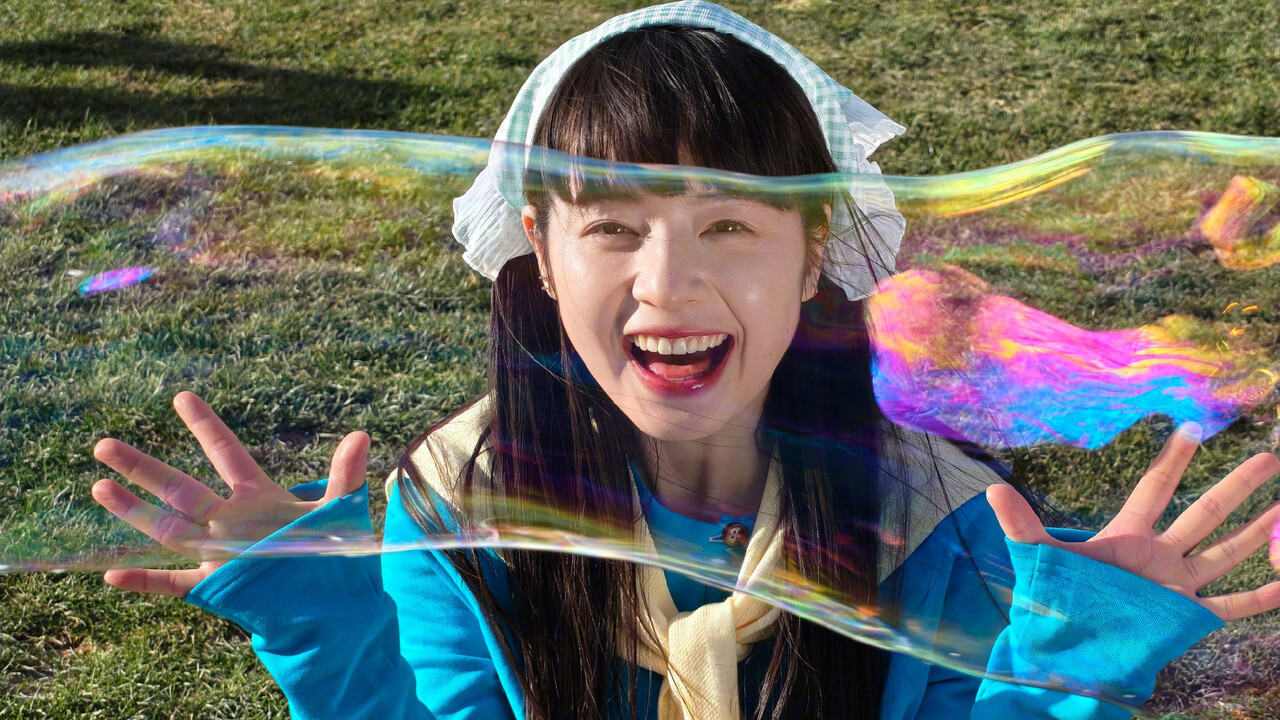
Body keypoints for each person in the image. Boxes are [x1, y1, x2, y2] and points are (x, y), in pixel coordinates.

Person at [88, 2, 1280, 719]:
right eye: (612, 227)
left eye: (728, 227)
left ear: (813, 255)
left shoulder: (940, 524)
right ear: (540, 256)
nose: (668, 285)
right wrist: (317, 615)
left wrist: (1071, 665)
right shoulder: (457, 507)